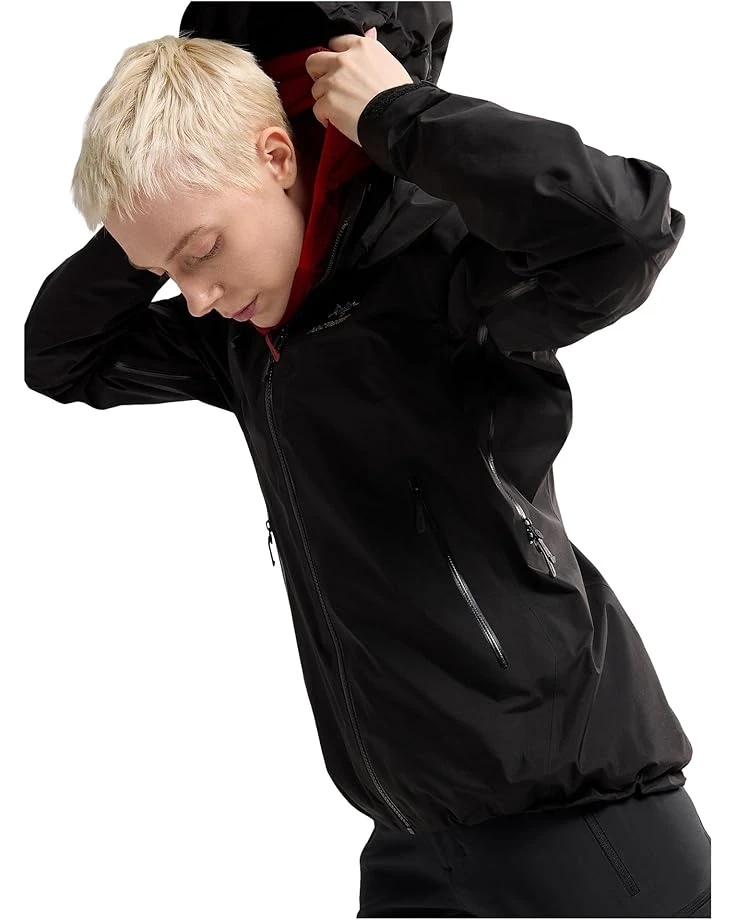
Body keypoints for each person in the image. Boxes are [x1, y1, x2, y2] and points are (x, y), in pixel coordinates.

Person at [24, 3, 710, 916]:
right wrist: (154, 209)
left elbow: (625, 233)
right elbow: (60, 358)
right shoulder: (242, 341)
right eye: (168, 273)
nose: (195, 298)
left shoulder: (440, 267)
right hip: (410, 840)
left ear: (278, 156)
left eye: (204, 252)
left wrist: (401, 118)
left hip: (578, 835)